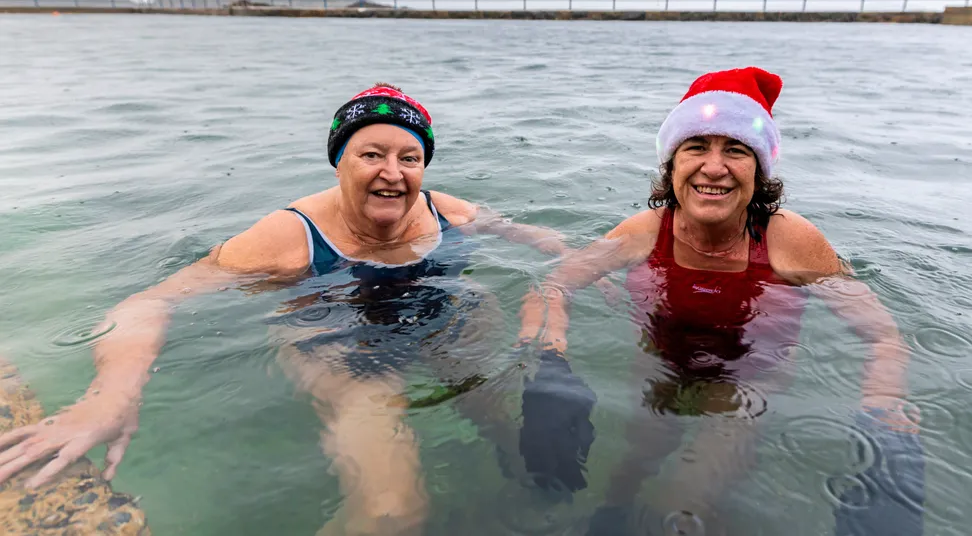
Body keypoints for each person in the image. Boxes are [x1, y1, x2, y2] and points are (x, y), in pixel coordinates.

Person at [0, 84, 586, 536]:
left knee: (511, 432)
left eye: (410, 157)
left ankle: (521, 488)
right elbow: (148, 302)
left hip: (442, 318)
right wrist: (109, 397)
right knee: (392, 512)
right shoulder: (285, 239)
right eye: (372, 154)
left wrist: (572, 261)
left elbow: (527, 233)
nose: (392, 173)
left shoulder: (444, 209)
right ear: (339, 161)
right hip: (335, 339)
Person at [518, 67, 925, 535]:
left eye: (736, 149)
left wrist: (883, 411)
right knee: (628, 476)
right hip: (660, 370)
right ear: (672, 164)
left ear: (760, 169)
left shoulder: (789, 240)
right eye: (696, 147)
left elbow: (882, 334)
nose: (714, 168)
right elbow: (554, 285)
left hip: (747, 385)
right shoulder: (645, 232)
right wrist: (550, 357)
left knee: (679, 509)